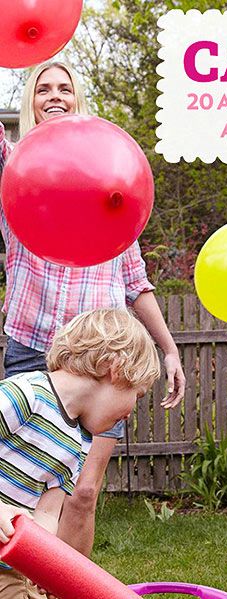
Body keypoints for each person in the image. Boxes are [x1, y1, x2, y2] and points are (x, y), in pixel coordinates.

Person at [0, 60, 185, 557]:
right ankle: (22, 598)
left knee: (82, 492)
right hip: (33, 349)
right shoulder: (14, 170)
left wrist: (168, 350)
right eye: (43, 88)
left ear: (78, 98)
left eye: (65, 87)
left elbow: (135, 280)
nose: (54, 95)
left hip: (107, 361)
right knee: (25, 492)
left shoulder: (108, 180)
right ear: (29, 102)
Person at [0, 307, 160, 599]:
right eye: (137, 396)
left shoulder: (77, 439)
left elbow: (49, 509)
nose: (131, 411)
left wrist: (46, 560)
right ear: (114, 366)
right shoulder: (24, 396)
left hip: (12, 572)